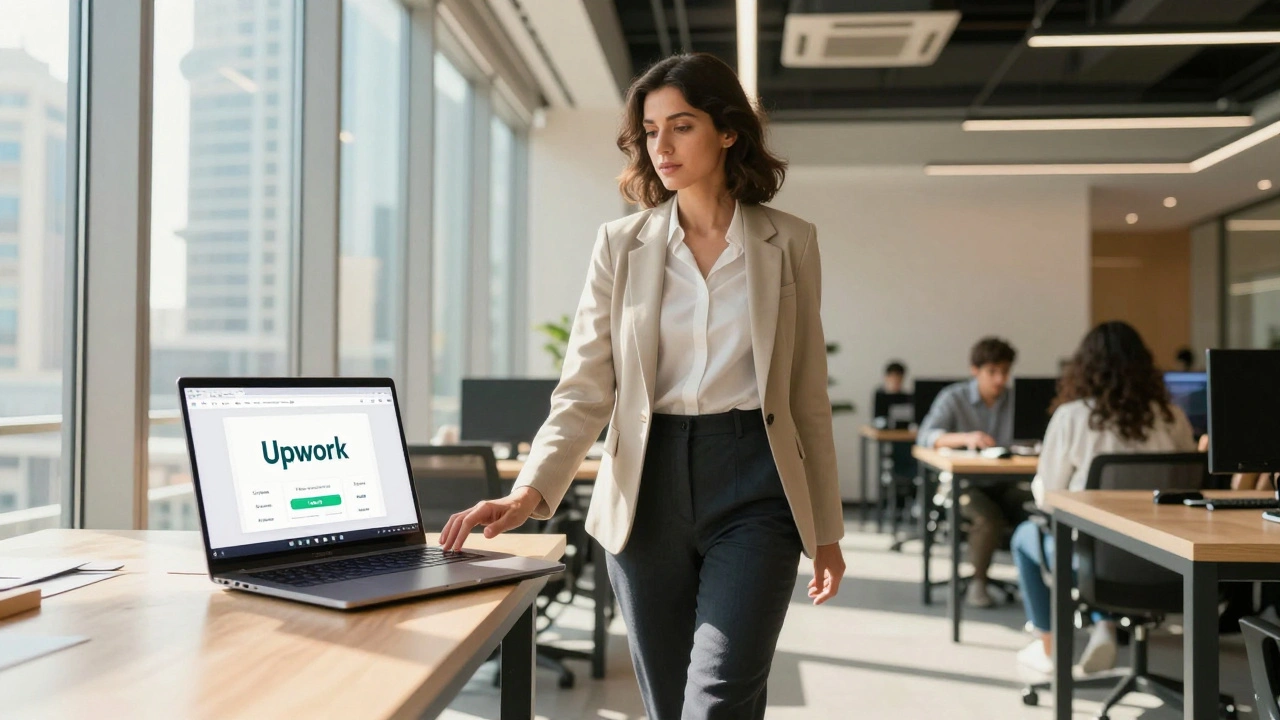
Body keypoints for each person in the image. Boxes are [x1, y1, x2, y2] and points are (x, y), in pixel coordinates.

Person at [439, 52, 845, 720]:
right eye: (651, 131)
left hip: (755, 482)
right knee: (670, 703)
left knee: (717, 696)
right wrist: (528, 491)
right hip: (644, 490)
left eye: (681, 126)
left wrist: (825, 529)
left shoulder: (790, 242)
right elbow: (585, 388)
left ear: (728, 131)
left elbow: (806, 396)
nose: (662, 147)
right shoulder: (619, 245)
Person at [1011, 321, 1196, 675]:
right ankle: (1103, 624)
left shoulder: (1072, 417)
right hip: (1167, 564)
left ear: (1085, 367)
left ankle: (1049, 647)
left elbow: (1049, 497)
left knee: (1024, 537)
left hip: (1095, 564)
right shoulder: (1172, 417)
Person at [917, 336, 1031, 608]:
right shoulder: (953, 397)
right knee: (987, 517)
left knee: (1039, 508)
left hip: (1007, 482)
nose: (1000, 379)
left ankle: (1039, 585)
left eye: (1005, 371)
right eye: (992, 372)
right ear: (975, 370)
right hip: (963, 484)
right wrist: (965, 438)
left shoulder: (1016, 400)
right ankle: (978, 582)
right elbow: (926, 436)